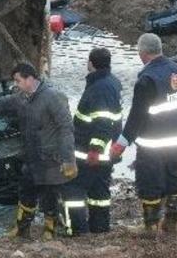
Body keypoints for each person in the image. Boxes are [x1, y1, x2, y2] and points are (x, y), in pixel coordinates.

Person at [0, 63, 77, 241]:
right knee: (26, 191)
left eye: (18, 80)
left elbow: (66, 128)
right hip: (31, 157)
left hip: (50, 158)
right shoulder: (22, 98)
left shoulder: (52, 97)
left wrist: (68, 159)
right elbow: (0, 103)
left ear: (30, 79)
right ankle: (22, 229)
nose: (16, 84)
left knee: (50, 196)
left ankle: (50, 230)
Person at [110, 33, 177, 232]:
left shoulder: (146, 80)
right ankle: (172, 221)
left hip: (153, 141)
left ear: (142, 53)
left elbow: (136, 117)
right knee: (173, 174)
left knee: (150, 180)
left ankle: (151, 226)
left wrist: (120, 144)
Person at [65, 47, 123, 235]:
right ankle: (99, 229)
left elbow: (103, 122)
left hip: (89, 153)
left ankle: (78, 231)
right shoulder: (111, 82)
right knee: (99, 193)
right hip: (105, 153)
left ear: (90, 63)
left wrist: (94, 150)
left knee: (73, 189)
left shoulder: (100, 88)